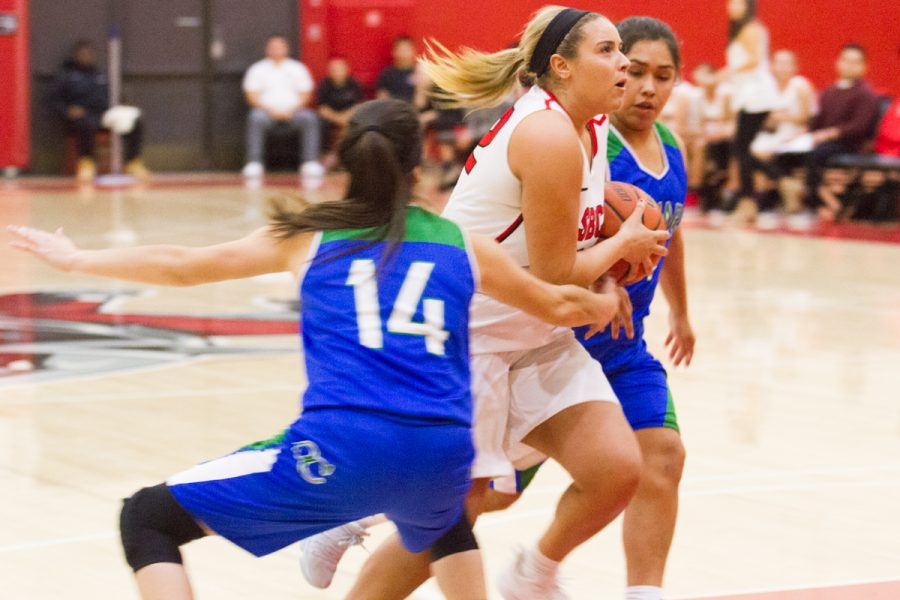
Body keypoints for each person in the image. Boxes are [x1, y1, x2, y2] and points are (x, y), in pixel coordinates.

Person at [7, 99, 628, 600]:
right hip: (444, 452)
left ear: (344, 162)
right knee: (442, 520)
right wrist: (611, 279)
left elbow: (183, 264)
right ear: (420, 166)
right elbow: (564, 305)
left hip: (341, 447)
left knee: (146, 517)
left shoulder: (310, 237)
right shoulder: (462, 243)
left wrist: (78, 256)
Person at [303, 8, 670, 599]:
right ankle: (352, 510)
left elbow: (580, 233)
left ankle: (533, 571)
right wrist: (623, 248)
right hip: (466, 339)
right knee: (462, 507)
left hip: (535, 336)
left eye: (619, 48)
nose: (623, 61)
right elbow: (553, 276)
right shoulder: (547, 134)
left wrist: (608, 274)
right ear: (562, 67)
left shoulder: (592, 124)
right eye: (607, 50)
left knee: (616, 469)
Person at [52, 40, 148, 182]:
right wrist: (68, 110)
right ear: (76, 56)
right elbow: (53, 100)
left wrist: (121, 105)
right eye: (82, 54)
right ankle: (86, 163)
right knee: (86, 123)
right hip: (82, 116)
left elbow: (116, 94)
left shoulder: (100, 74)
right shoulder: (66, 76)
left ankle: (133, 161)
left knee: (135, 118)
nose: (85, 57)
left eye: (88, 54)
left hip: (105, 115)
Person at [804, 43, 881, 219]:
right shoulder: (829, 92)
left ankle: (821, 203)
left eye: (856, 62)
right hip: (825, 142)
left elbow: (859, 127)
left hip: (851, 144)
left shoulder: (865, 94)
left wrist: (830, 133)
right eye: (846, 60)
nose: (850, 65)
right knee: (793, 153)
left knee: (816, 154)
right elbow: (816, 121)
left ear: (864, 66)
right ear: (838, 63)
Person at [722, 0, 779, 223]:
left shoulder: (752, 28)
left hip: (757, 95)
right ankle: (780, 178)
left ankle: (748, 202)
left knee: (740, 149)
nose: (732, 6)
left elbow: (755, 60)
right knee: (741, 148)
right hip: (748, 95)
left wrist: (724, 74)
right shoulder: (740, 30)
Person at [242, 36, 324, 180]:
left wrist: (291, 110)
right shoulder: (257, 69)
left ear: (286, 49)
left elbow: (306, 94)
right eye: (273, 47)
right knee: (255, 117)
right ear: (267, 50)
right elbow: (251, 95)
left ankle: (310, 162)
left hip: (294, 113)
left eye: (280, 47)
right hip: (267, 114)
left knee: (309, 118)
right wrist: (271, 110)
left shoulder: (297, 68)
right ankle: (254, 163)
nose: (276, 50)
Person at [749, 50, 817, 214]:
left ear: (795, 67)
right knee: (747, 151)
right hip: (772, 134)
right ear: (772, 66)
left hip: (796, 135)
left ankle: (770, 194)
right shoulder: (766, 88)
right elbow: (763, 120)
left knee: (762, 154)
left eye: (787, 64)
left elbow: (806, 117)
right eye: (779, 63)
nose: (782, 68)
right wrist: (771, 118)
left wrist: (782, 117)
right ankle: (784, 184)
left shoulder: (801, 86)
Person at [693, 63, 735, 214]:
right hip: (707, 137)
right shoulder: (697, 96)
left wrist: (719, 132)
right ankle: (699, 193)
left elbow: (732, 123)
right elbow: (697, 125)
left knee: (721, 147)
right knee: (701, 146)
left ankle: (723, 191)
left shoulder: (725, 95)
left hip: (725, 136)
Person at [316, 56, 364, 165]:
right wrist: (339, 119)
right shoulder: (324, 85)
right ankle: (327, 154)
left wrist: (345, 118)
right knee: (320, 123)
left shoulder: (354, 84)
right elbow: (322, 109)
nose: (337, 72)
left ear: (347, 69)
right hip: (330, 117)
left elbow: (358, 106)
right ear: (329, 71)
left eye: (340, 69)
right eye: (334, 69)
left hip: (349, 116)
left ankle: (342, 156)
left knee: (357, 122)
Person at [376, 36, 418, 103]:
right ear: (393, 52)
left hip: (418, 111)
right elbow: (381, 100)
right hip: (394, 110)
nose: (403, 54)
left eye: (406, 50)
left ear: (413, 51)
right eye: (400, 49)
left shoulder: (421, 72)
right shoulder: (387, 74)